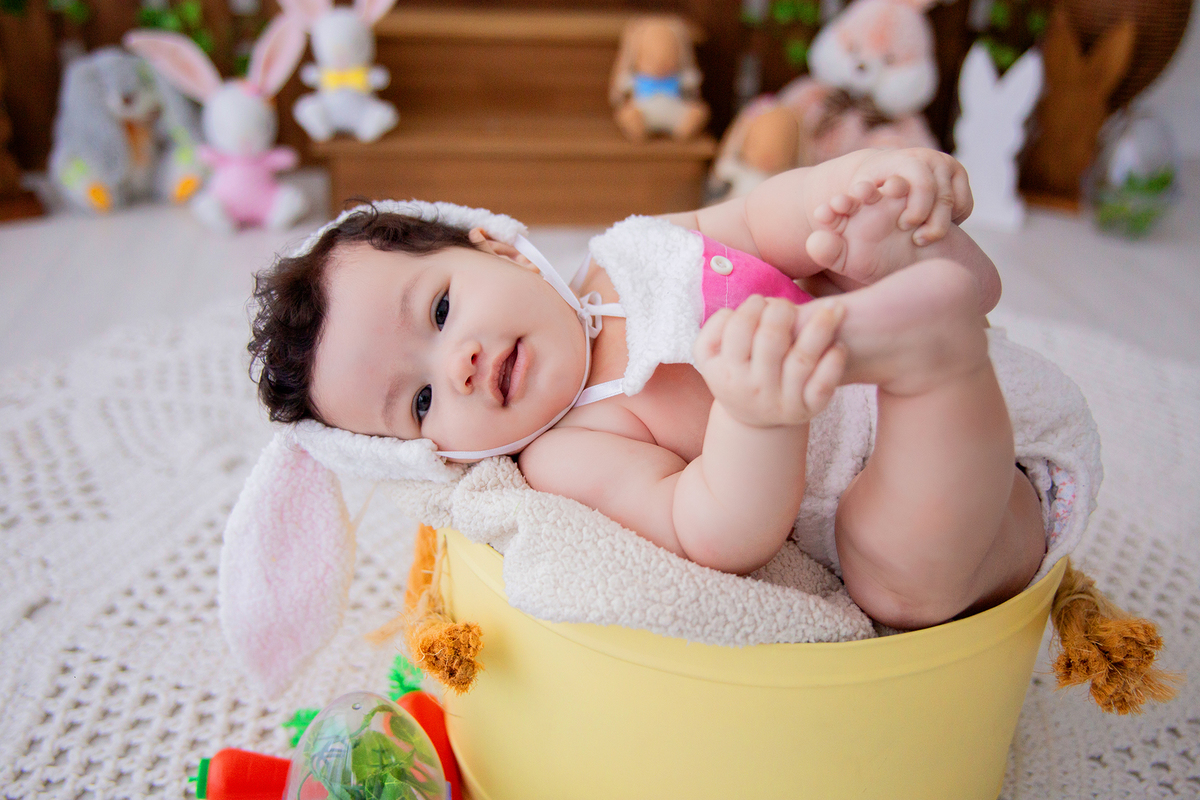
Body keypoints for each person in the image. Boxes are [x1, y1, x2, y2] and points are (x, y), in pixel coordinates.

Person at [248, 147, 1046, 631]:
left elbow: (762, 216)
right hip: (926, 491)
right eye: (421, 403)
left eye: (442, 309)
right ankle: (934, 352)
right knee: (898, 586)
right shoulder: (568, 453)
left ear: (497, 245)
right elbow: (713, 530)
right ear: (436, 457)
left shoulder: (635, 252)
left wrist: (845, 186)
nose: (453, 364)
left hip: (990, 425)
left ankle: (900, 257)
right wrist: (754, 419)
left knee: (827, 244)